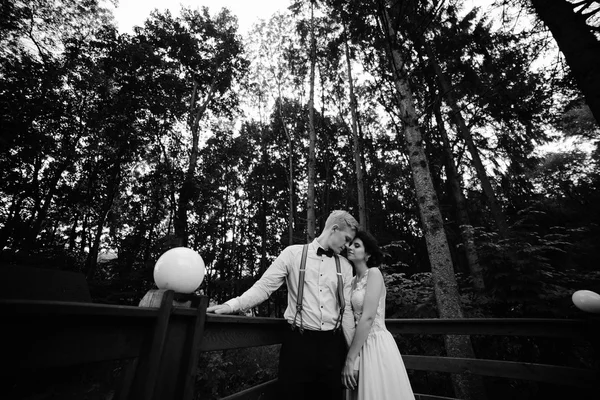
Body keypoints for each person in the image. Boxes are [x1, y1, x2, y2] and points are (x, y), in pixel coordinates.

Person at [207, 210, 360, 400]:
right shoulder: (292, 254)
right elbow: (264, 288)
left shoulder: (345, 266)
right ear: (334, 229)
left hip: (332, 347)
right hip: (298, 344)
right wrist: (232, 305)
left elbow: (346, 314)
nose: (347, 246)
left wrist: (354, 357)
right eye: (346, 239)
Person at [342, 230, 416, 400]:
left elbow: (368, 318)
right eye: (350, 244)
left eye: (356, 245)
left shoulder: (374, 274)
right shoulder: (351, 281)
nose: (350, 247)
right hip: (358, 343)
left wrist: (350, 360)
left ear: (367, 254)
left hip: (376, 343)